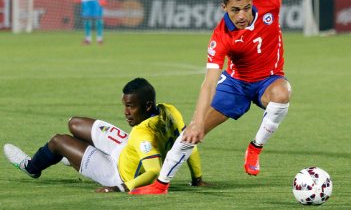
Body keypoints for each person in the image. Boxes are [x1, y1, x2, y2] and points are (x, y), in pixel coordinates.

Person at [130, 0, 299, 195]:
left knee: (283, 93)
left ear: (251, 2)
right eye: (235, 10)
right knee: (191, 132)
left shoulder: (268, 3)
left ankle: (255, 147)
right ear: (224, 7)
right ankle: (161, 184)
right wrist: (197, 121)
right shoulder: (221, 37)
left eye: (245, 7)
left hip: (269, 80)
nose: (242, 15)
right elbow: (209, 83)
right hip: (236, 84)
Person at [3, 78, 206, 192]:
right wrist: (197, 178)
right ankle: (73, 157)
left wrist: (119, 187)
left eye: (130, 107)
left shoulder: (143, 134)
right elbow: (188, 143)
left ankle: (31, 167)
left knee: (58, 141)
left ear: (147, 106)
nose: (125, 112)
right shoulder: (169, 110)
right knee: (74, 123)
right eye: (124, 105)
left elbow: (153, 171)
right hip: (127, 149)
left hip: (116, 172)